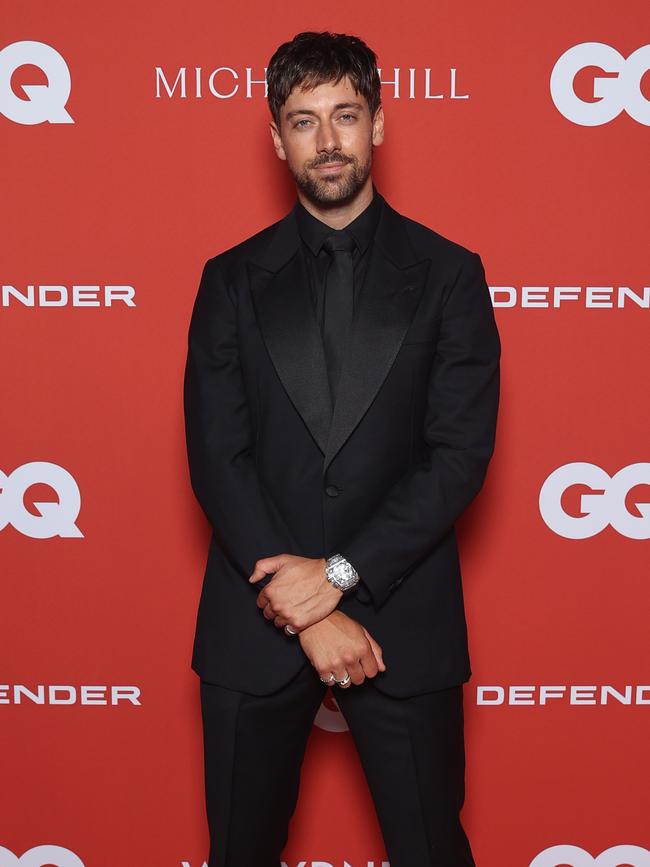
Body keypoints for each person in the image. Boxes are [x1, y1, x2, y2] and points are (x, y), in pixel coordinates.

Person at [183, 30, 500, 867]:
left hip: (402, 618)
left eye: (346, 116)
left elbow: (458, 454)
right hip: (256, 629)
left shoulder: (450, 274)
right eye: (303, 120)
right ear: (275, 137)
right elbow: (219, 454)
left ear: (380, 124)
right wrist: (302, 603)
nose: (327, 141)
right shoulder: (228, 278)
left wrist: (336, 578)